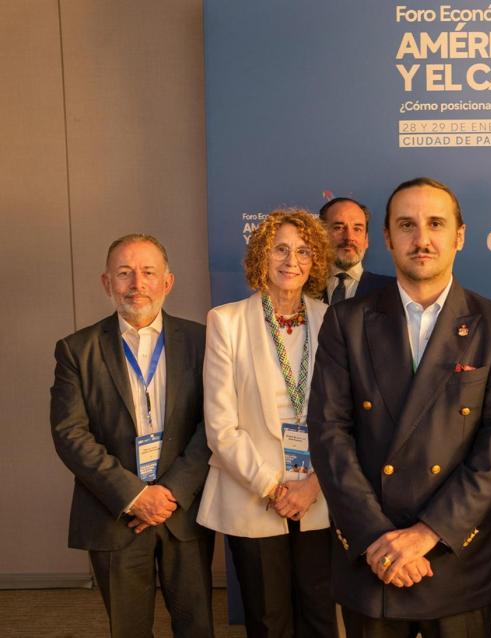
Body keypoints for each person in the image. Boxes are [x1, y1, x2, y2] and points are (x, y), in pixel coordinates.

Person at [308, 177, 491, 637]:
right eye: (406, 225)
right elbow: (329, 434)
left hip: (455, 554)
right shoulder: (347, 322)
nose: (422, 239)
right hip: (374, 558)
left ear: (459, 236)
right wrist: (376, 539)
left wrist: (428, 534)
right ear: (387, 238)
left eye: (435, 224)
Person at [50, 234, 213, 637]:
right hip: (113, 512)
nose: (136, 283)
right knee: (129, 629)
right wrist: (136, 495)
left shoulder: (202, 341)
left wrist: (170, 492)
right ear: (107, 283)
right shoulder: (76, 350)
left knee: (196, 626)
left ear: (167, 282)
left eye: (147, 272)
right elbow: (70, 434)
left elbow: (212, 423)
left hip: (184, 510)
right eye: (124, 273)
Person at [196, 209, 336, 637]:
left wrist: (312, 484)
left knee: (318, 615)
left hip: (317, 494)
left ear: (315, 263)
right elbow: (221, 427)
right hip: (253, 494)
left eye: (303, 251)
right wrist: (274, 488)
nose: (291, 260)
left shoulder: (330, 319)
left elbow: (339, 417)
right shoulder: (227, 321)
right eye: (280, 249)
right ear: (262, 255)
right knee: (268, 619)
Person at [319, 197, 394, 303]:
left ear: (366, 239)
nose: (349, 237)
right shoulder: (302, 289)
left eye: (357, 229)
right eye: (338, 228)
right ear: (321, 235)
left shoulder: (393, 292)